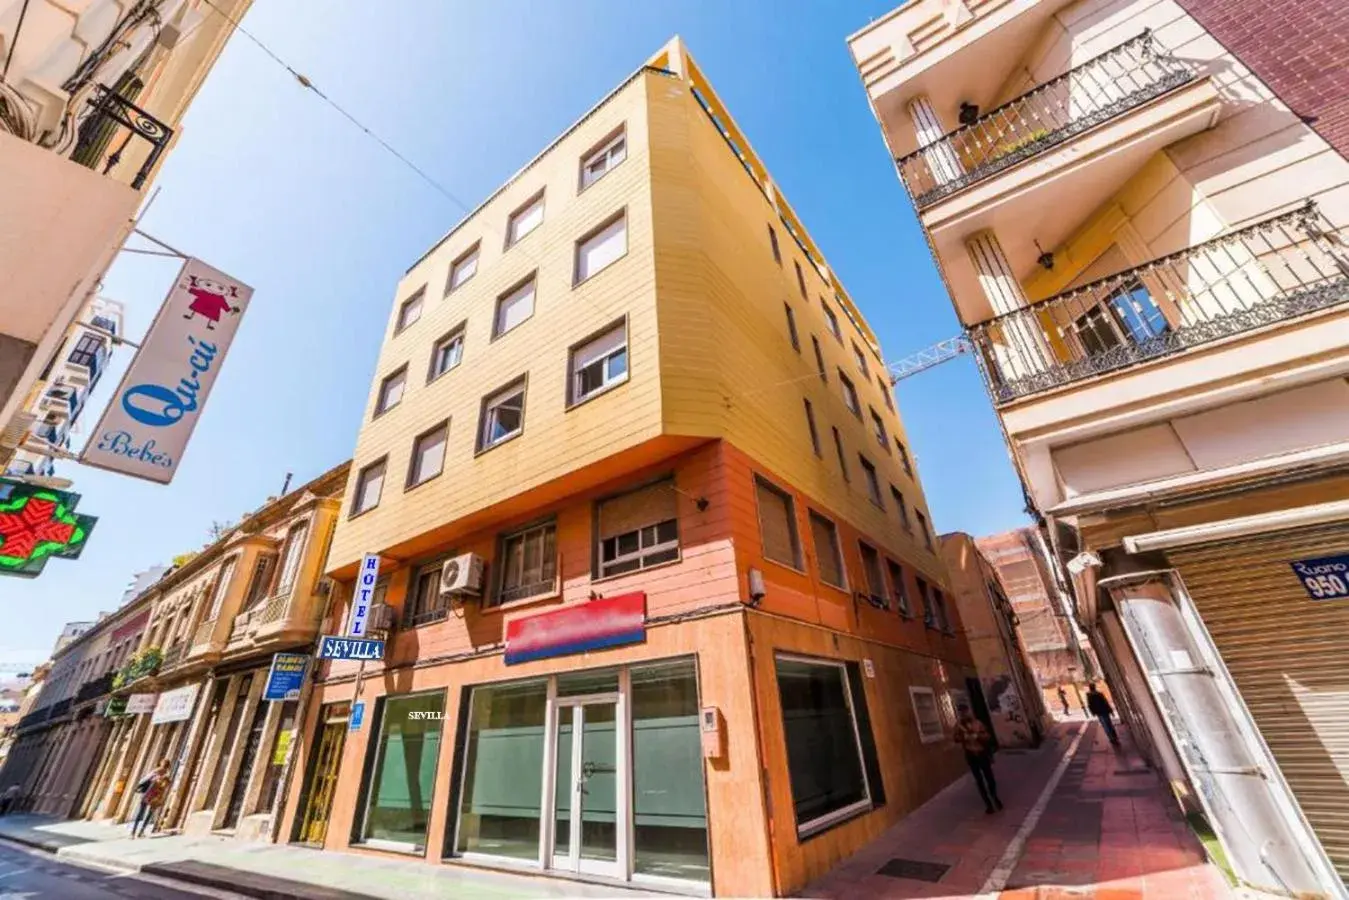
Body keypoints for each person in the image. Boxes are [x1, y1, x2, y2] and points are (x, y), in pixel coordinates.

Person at [952, 705, 1003, 814]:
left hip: (982, 753)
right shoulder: (959, 726)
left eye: (965, 711)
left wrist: (977, 736)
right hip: (971, 755)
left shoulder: (978, 723)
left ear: (969, 711)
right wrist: (963, 738)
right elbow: (955, 738)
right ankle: (988, 804)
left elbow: (987, 736)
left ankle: (995, 797)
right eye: (962, 712)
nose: (964, 714)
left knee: (989, 778)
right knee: (979, 780)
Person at [131, 761, 170, 838]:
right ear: (168, 767)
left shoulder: (153, 772)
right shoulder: (165, 776)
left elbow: (143, 781)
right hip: (155, 797)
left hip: (146, 795)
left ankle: (133, 832)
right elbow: (164, 787)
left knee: (140, 813)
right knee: (149, 814)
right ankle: (141, 832)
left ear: (161, 764)